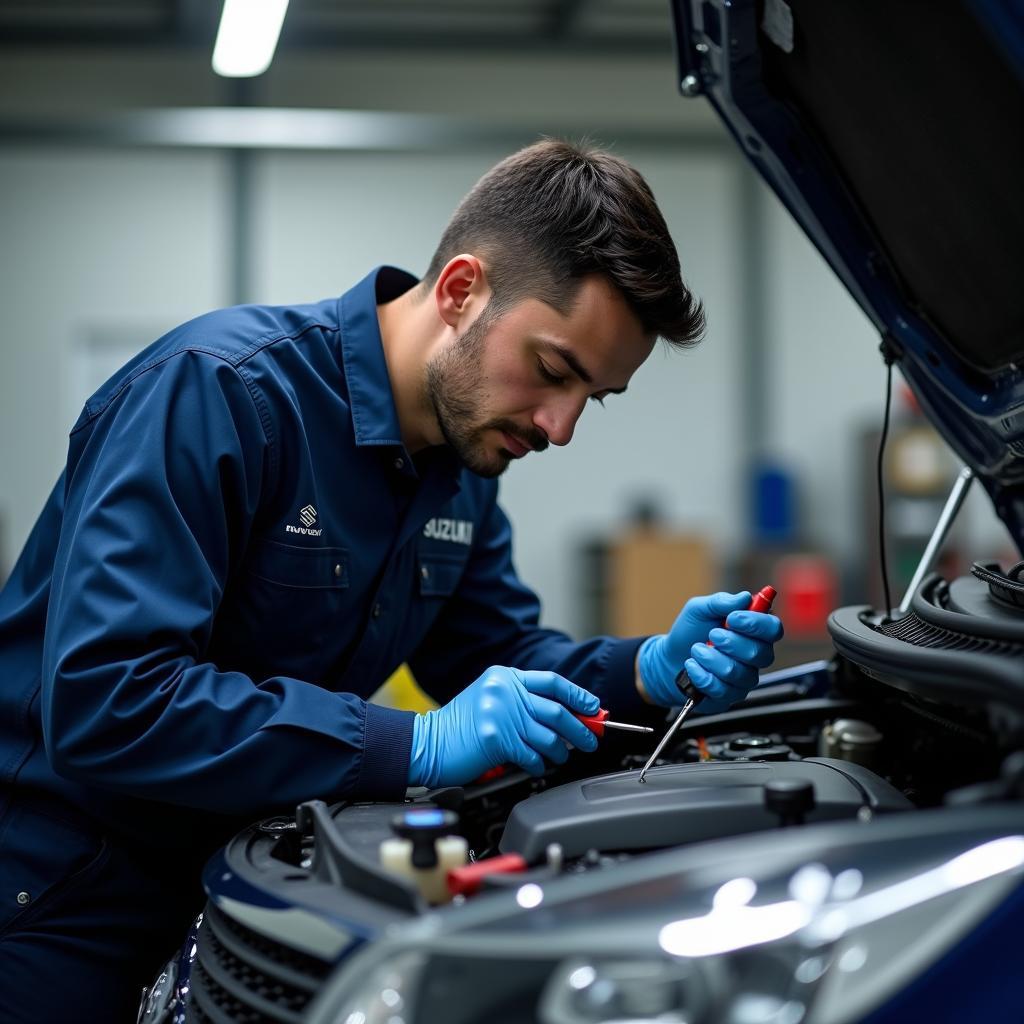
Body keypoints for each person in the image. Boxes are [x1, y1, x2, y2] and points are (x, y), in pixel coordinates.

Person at [0, 139, 783, 1020]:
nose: (561, 427)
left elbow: (498, 653)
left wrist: (642, 672)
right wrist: (411, 746)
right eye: (555, 371)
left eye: (591, 398)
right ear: (460, 291)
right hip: (62, 901)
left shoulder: (461, 472)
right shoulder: (222, 395)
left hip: (243, 891)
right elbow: (109, 699)